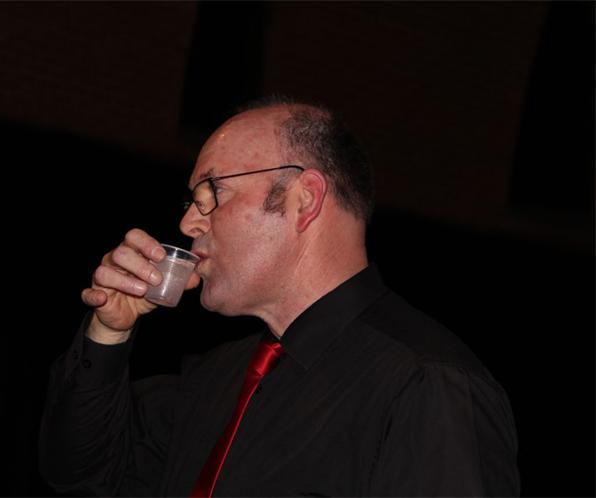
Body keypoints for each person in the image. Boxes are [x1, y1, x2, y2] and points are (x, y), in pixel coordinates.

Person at [38, 97, 520, 497]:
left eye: (212, 194)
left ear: (304, 200)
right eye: (192, 202)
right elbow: (81, 474)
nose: (188, 223)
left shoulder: (426, 385)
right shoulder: (217, 377)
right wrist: (109, 331)